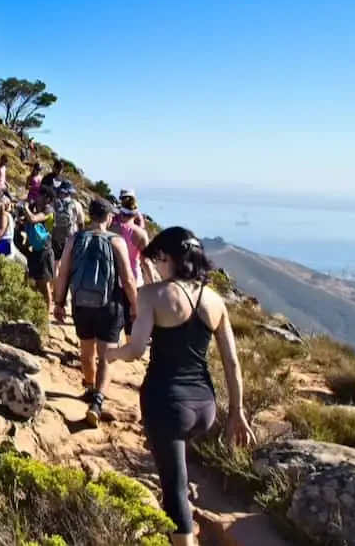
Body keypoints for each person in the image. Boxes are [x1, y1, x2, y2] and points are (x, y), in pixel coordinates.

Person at [107, 228, 255, 545]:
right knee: (179, 471)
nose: (157, 266)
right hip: (205, 406)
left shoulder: (153, 295)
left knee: (173, 488)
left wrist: (112, 353)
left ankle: (184, 536)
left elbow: (135, 350)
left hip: (166, 402)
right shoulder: (215, 301)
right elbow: (232, 363)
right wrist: (237, 412)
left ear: (167, 258)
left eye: (158, 260)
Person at [52, 198, 138, 426]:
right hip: (109, 304)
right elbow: (128, 279)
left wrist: (59, 303)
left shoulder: (75, 239)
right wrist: (135, 307)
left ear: (90, 215)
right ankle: (98, 402)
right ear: (109, 218)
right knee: (106, 356)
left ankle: (89, 388)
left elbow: (63, 274)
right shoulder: (116, 241)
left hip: (81, 303)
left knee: (86, 350)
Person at [113, 206, 156, 336]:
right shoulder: (140, 233)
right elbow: (146, 261)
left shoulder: (112, 229)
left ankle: (115, 344)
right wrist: (152, 282)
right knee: (132, 315)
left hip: (114, 277)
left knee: (115, 313)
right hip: (134, 279)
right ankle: (129, 346)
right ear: (135, 214)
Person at [14, 198, 56, 303]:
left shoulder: (48, 210)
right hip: (34, 251)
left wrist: (26, 208)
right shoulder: (36, 211)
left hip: (44, 251)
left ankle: (46, 313)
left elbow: (33, 219)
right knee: (34, 283)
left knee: (44, 284)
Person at [51, 182, 85, 259]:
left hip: (56, 236)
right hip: (71, 237)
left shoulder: (54, 203)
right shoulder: (77, 204)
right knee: (69, 261)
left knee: (56, 261)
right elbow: (81, 223)